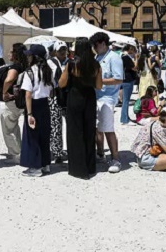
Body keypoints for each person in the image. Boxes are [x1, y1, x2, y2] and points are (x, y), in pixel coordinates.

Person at [59, 37, 102, 179]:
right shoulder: (96, 65)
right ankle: (90, 166)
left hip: (75, 97)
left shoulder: (72, 64)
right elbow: (99, 86)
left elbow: (61, 84)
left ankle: (78, 168)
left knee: (75, 132)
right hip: (90, 98)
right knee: (89, 131)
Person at [90, 32, 124, 173]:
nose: (94, 48)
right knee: (98, 128)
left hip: (108, 97)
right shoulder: (97, 57)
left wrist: (98, 81)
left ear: (103, 44)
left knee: (108, 129)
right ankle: (100, 153)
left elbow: (118, 79)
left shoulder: (114, 58)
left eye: (95, 45)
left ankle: (115, 158)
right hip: (96, 96)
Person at [20, 44, 54, 177]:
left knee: (32, 136)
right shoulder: (48, 70)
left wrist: (29, 113)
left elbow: (28, 94)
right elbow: (52, 90)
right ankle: (46, 164)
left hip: (33, 105)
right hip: (45, 104)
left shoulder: (30, 72)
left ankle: (35, 167)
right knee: (44, 135)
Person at [0, 43, 27, 163]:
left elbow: (9, 79)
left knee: (9, 128)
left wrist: (4, 92)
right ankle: (20, 151)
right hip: (22, 100)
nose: (8, 54)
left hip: (11, 101)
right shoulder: (25, 65)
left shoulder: (15, 67)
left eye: (10, 52)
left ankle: (16, 154)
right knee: (14, 127)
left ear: (15, 54)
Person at [47, 41, 68, 163]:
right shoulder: (51, 63)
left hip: (63, 96)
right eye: (60, 50)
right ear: (55, 51)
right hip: (54, 97)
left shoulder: (66, 62)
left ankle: (61, 150)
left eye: (64, 49)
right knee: (55, 125)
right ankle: (57, 152)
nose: (63, 52)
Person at [120, 44, 137, 125]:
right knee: (126, 101)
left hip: (126, 80)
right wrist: (136, 59)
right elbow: (134, 68)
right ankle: (125, 119)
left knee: (125, 100)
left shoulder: (123, 56)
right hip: (128, 80)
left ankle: (125, 117)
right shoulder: (126, 57)